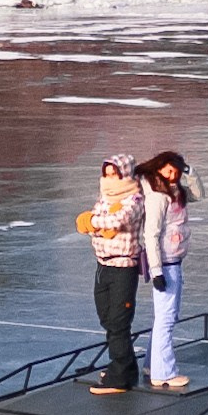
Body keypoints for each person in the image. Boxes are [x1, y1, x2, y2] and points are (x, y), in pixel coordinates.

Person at [79, 152, 144, 393]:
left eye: (114, 175)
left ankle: (121, 375)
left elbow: (118, 220)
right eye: (106, 175)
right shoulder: (105, 198)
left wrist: (94, 221)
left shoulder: (135, 200)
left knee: (118, 322)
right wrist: (94, 224)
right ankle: (125, 366)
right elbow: (92, 225)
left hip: (122, 268)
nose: (109, 180)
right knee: (106, 318)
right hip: (103, 266)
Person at [136, 150, 191, 389]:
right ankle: (164, 373)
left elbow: (199, 193)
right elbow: (151, 234)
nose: (174, 175)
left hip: (173, 260)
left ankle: (152, 366)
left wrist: (191, 172)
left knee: (164, 318)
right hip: (166, 264)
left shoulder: (175, 191)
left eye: (178, 172)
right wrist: (156, 270)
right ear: (159, 168)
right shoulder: (158, 196)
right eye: (170, 170)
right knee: (166, 320)